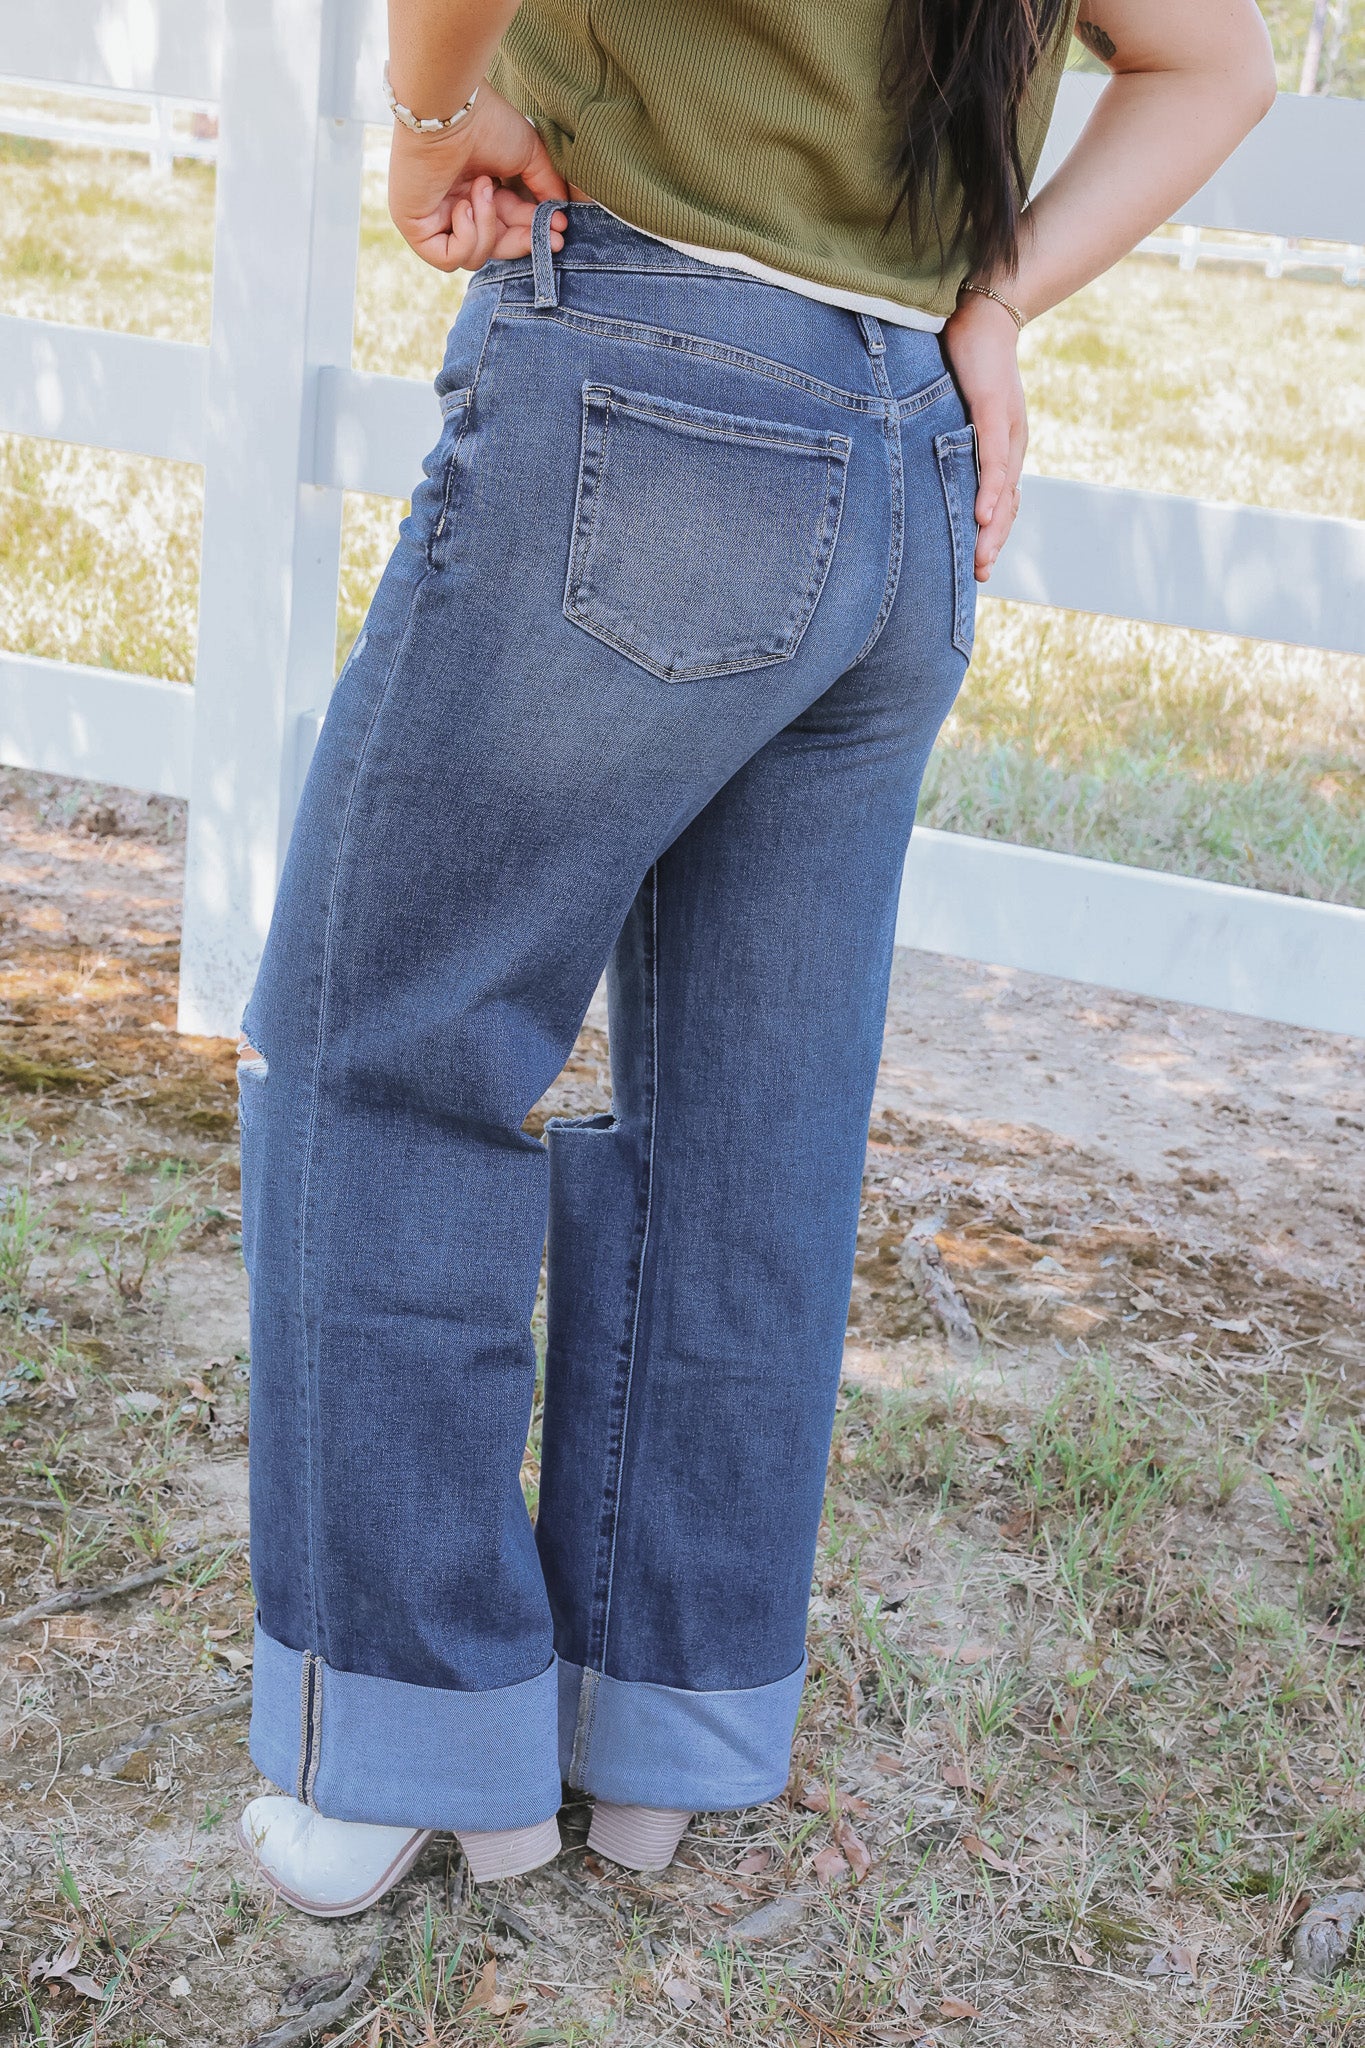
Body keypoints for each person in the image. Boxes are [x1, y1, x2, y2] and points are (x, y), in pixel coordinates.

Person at [234, 0, 1275, 1916]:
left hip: (649, 394)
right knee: (750, 1131)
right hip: (904, 464)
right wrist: (992, 300)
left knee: (383, 1052)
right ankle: (669, 1730)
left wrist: (428, 115)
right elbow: (1216, 61)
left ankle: (406, 1747)